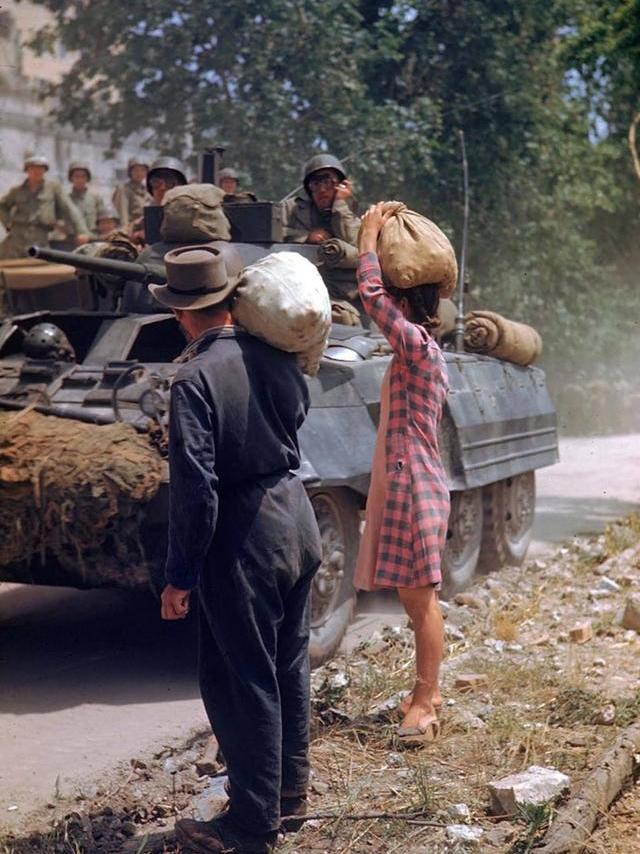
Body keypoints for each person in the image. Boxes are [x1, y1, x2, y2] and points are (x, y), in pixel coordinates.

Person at [149, 245, 322, 854]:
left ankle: (251, 826)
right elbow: (298, 416)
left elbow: (196, 489)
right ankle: (289, 796)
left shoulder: (193, 377)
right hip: (297, 518)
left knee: (241, 679)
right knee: (288, 664)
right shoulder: (276, 354)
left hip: (245, 536)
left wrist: (180, 575)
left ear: (181, 314)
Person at [354, 201, 450, 744]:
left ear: (406, 303)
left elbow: (371, 297)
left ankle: (426, 704)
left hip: (413, 484)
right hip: (409, 480)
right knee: (417, 601)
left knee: (420, 601)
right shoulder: (422, 350)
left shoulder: (415, 347)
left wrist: (368, 238)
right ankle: (425, 693)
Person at [0, 155, 90, 259]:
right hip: (16, 238)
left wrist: (81, 231)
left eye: (40, 168)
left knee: (40, 265)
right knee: (6, 265)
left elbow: (69, 208)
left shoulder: (53, 188)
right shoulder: (17, 191)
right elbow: (2, 205)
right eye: (33, 168)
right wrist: (7, 222)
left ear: (45, 171)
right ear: (27, 170)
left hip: (40, 237)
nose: (37, 171)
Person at [283, 154, 360, 245]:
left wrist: (339, 204)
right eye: (315, 184)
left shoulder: (349, 210)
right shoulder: (292, 208)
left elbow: (354, 242)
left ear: (341, 185)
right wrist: (306, 237)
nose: (322, 189)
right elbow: (272, 231)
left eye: (327, 182)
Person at [65, 162, 108, 237]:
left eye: (83, 176)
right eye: (76, 176)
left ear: (87, 178)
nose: (80, 180)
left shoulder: (95, 198)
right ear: (71, 178)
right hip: (72, 238)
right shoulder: (65, 199)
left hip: (92, 237)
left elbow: (103, 220)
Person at [112, 157, 152, 229]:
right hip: (132, 229)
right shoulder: (124, 190)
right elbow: (122, 214)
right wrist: (125, 231)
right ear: (130, 172)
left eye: (143, 170)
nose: (139, 173)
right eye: (136, 170)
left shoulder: (147, 190)